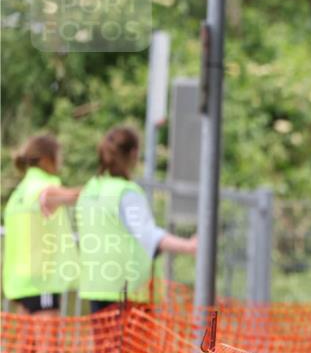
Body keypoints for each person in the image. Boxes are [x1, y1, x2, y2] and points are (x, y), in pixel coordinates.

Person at [75, 127, 197, 313]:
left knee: (106, 343)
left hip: (96, 287)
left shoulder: (91, 189)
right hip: (129, 290)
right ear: (133, 154)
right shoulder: (126, 192)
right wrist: (189, 246)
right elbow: (148, 234)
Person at [3, 134, 80, 315]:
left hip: (20, 283)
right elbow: (75, 196)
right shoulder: (43, 187)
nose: (60, 163)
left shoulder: (20, 193)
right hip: (42, 282)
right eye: (59, 157)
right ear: (47, 160)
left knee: (27, 344)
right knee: (48, 343)